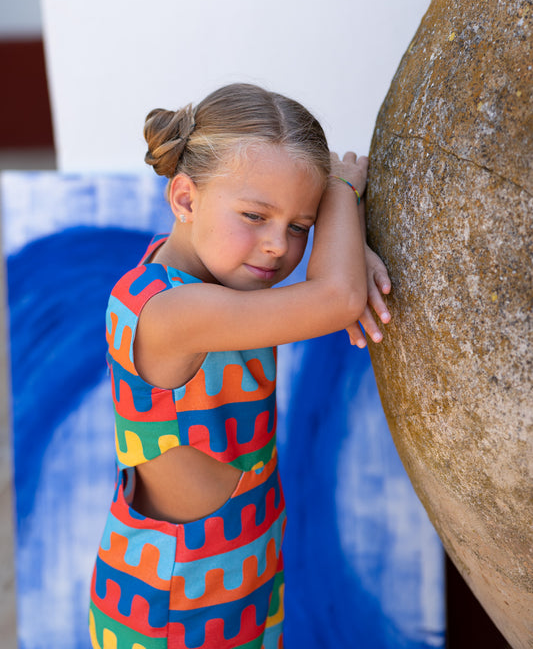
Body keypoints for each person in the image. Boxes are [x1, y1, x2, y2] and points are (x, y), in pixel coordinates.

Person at [89, 83, 391, 649]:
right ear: (185, 200)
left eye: (300, 226)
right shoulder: (171, 311)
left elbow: (334, 283)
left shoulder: (217, 272)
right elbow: (338, 297)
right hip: (173, 601)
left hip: (243, 568)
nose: (278, 246)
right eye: (255, 216)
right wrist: (343, 191)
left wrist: (350, 242)